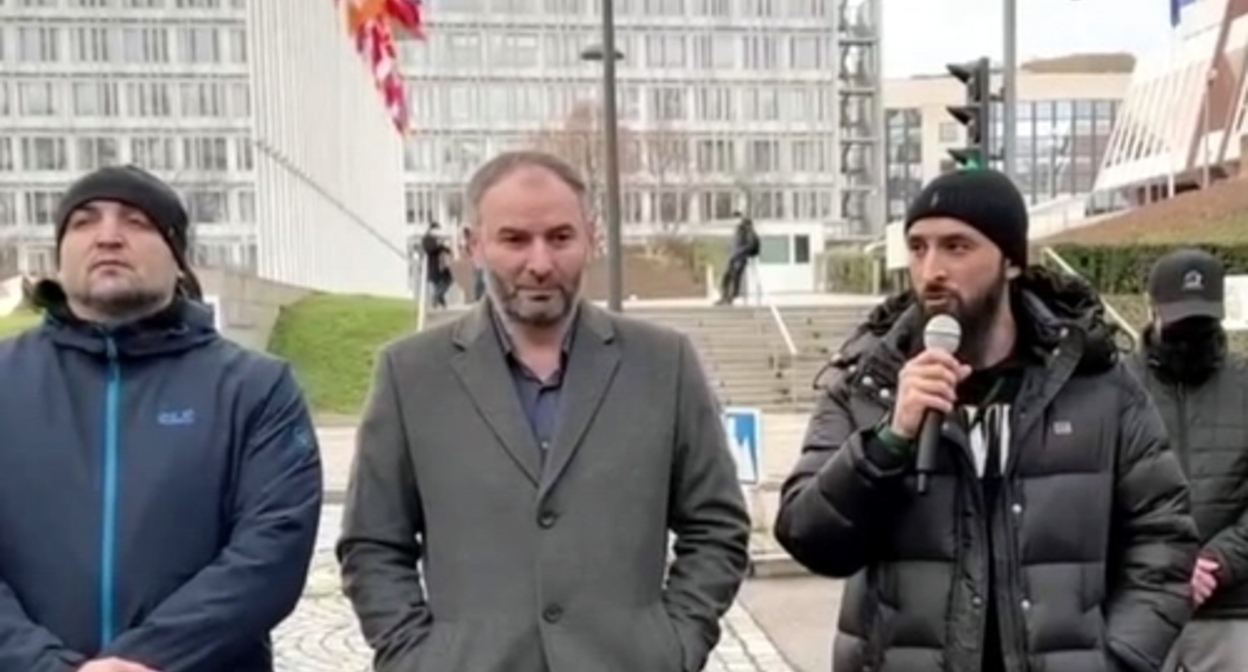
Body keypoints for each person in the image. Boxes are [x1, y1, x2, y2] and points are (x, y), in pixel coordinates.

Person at [338, 150, 751, 672]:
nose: (540, 263)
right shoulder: (410, 374)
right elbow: (372, 543)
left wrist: (672, 646)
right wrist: (415, 659)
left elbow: (717, 526)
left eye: (560, 237)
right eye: (514, 239)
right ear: (473, 245)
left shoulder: (664, 364)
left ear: (591, 237)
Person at [773, 168, 1198, 672]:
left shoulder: (1098, 386)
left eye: (957, 247)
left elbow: (1164, 542)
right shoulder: (867, 386)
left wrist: (1117, 659)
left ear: (1011, 262)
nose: (931, 270)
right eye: (917, 247)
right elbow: (811, 538)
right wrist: (890, 439)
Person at [0, 165, 323, 672]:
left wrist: (147, 658)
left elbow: (272, 550)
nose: (108, 237)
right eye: (84, 222)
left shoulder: (255, 388)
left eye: (136, 221)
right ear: (58, 257)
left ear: (178, 259)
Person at [1128, 249, 1248, 671]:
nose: (1189, 333)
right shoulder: (1117, 388)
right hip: (1139, 609)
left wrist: (1219, 562)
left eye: (1200, 320)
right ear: (1153, 310)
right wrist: (1168, 566)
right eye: (1179, 320)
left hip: (1233, 613)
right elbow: (1096, 495)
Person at [716, 212, 759, 305]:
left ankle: (731, 296)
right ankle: (724, 297)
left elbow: (750, 245)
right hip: (733, 257)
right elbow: (735, 244)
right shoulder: (738, 230)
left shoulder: (746, 230)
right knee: (726, 277)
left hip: (740, 258)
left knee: (735, 277)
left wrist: (739, 252)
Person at [421, 221, 452, 308]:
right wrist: (441, 247)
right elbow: (431, 249)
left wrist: (445, 249)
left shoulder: (434, 238)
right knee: (440, 282)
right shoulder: (427, 239)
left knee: (446, 280)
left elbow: (440, 248)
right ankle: (438, 298)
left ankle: (439, 298)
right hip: (433, 266)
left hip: (440, 265)